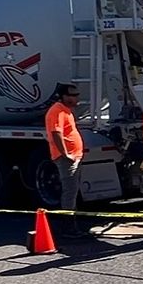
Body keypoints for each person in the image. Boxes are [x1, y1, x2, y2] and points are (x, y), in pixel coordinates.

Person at [44, 82, 84, 211]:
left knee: (73, 191)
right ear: (63, 96)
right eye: (73, 95)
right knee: (70, 191)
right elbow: (56, 133)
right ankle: (68, 225)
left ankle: (72, 222)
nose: (76, 98)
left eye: (77, 95)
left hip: (73, 156)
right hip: (66, 158)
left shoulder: (66, 111)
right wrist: (65, 154)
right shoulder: (57, 111)